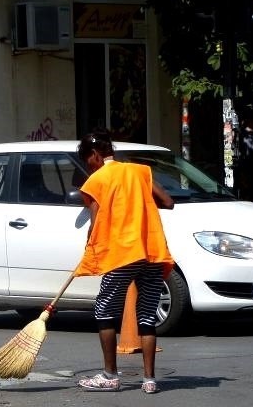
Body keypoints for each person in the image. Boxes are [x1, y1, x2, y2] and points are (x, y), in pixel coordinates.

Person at [74, 130, 174, 394]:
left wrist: (90, 249)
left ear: (95, 155)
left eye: (88, 161)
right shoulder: (140, 171)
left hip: (123, 253)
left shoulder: (98, 180)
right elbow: (167, 201)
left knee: (104, 310)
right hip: (152, 250)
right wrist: (138, 204)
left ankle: (110, 375)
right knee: (147, 315)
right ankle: (150, 380)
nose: (89, 166)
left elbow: (94, 224)